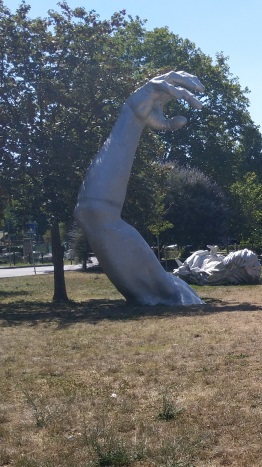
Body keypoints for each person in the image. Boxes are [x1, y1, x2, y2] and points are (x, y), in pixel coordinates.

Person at [74, 71, 205, 305]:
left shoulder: (172, 294)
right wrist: (133, 117)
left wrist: (132, 118)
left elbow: (94, 213)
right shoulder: (174, 291)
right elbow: (94, 213)